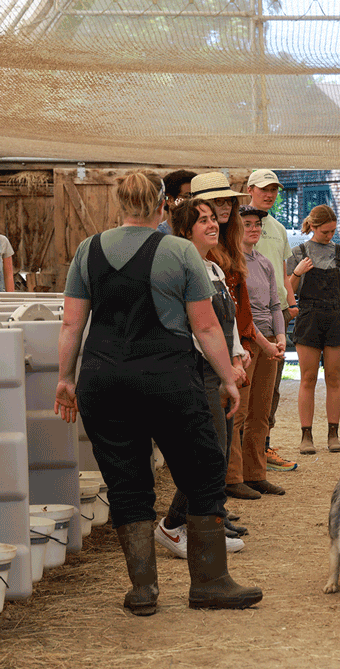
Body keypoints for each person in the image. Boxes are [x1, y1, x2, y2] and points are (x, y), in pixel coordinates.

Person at [54, 171, 261, 615]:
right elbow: (205, 326)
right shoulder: (179, 251)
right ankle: (210, 582)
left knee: (128, 484)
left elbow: (72, 324)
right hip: (166, 379)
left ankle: (143, 590)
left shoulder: (87, 251)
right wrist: (227, 376)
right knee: (203, 469)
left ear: (119, 203)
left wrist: (65, 379)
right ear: (163, 205)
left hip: (103, 382)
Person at [156, 196, 259, 550]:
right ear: (185, 231)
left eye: (214, 219)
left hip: (220, 369)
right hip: (199, 371)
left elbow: (223, 325)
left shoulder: (213, 269)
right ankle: (174, 523)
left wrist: (238, 354)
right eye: (203, 221)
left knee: (218, 451)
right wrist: (224, 365)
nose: (213, 224)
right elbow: (197, 329)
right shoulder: (184, 270)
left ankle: (207, 524)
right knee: (207, 453)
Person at [225, 204, 287, 499]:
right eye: (247, 223)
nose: (253, 228)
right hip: (247, 342)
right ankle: (233, 476)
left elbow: (276, 304)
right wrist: (264, 342)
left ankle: (256, 473)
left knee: (262, 411)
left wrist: (282, 336)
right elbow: (240, 314)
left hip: (270, 340)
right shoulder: (231, 263)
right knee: (240, 411)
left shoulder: (264, 262)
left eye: (257, 224)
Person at [286, 203, 340, 454]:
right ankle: (306, 436)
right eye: (325, 232)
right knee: (308, 378)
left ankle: (333, 434)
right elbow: (289, 292)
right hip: (309, 317)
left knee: (334, 378)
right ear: (313, 227)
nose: (330, 236)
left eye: (332, 231)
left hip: (336, 315)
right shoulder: (299, 252)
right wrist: (297, 272)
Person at [246, 168, 298, 472]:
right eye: (264, 189)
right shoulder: (238, 227)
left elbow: (281, 271)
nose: (270, 194)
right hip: (248, 315)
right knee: (245, 389)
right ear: (250, 189)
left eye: (274, 190)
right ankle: (242, 454)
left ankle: (262, 446)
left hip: (276, 313)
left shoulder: (277, 228)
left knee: (271, 389)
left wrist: (292, 305)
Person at [156, 169, 196, 234]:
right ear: (170, 200)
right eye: (188, 197)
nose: (194, 202)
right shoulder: (157, 237)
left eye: (196, 197)